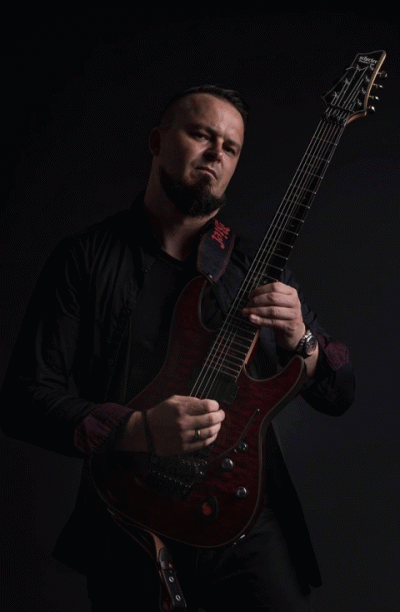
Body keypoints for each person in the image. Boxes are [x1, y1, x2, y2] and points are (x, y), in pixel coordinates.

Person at [0, 85, 355, 611]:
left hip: (246, 519)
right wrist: (139, 429)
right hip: (131, 520)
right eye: (201, 135)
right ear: (157, 142)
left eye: (230, 147)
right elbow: (23, 398)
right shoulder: (85, 259)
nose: (216, 154)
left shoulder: (255, 264)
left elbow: (339, 393)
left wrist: (301, 337)